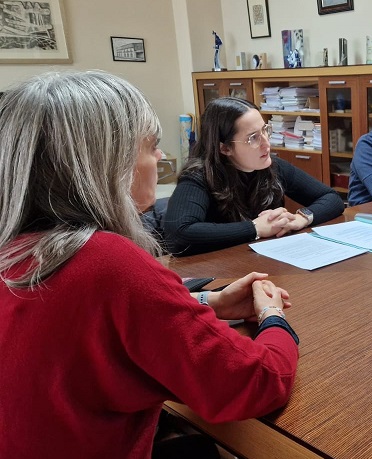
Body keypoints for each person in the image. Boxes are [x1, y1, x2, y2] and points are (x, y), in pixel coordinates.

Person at [0, 71, 300, 458]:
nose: (160, 158)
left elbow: (97, 337)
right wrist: (273, 315)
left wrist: (208, 304)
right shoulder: (108, 262)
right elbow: (256, 382)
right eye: (151, 146)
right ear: (108, 163)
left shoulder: (19, 250)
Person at [163, 97, 344, 256]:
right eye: (253, 138)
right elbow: (179, 235)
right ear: (224, 148)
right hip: (222, 272)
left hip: (266, 261)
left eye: (265, 130)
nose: (267, 144)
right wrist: (255, 228)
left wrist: (300, 219)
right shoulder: (198, 177)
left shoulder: (272, 165)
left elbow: (331, 198)